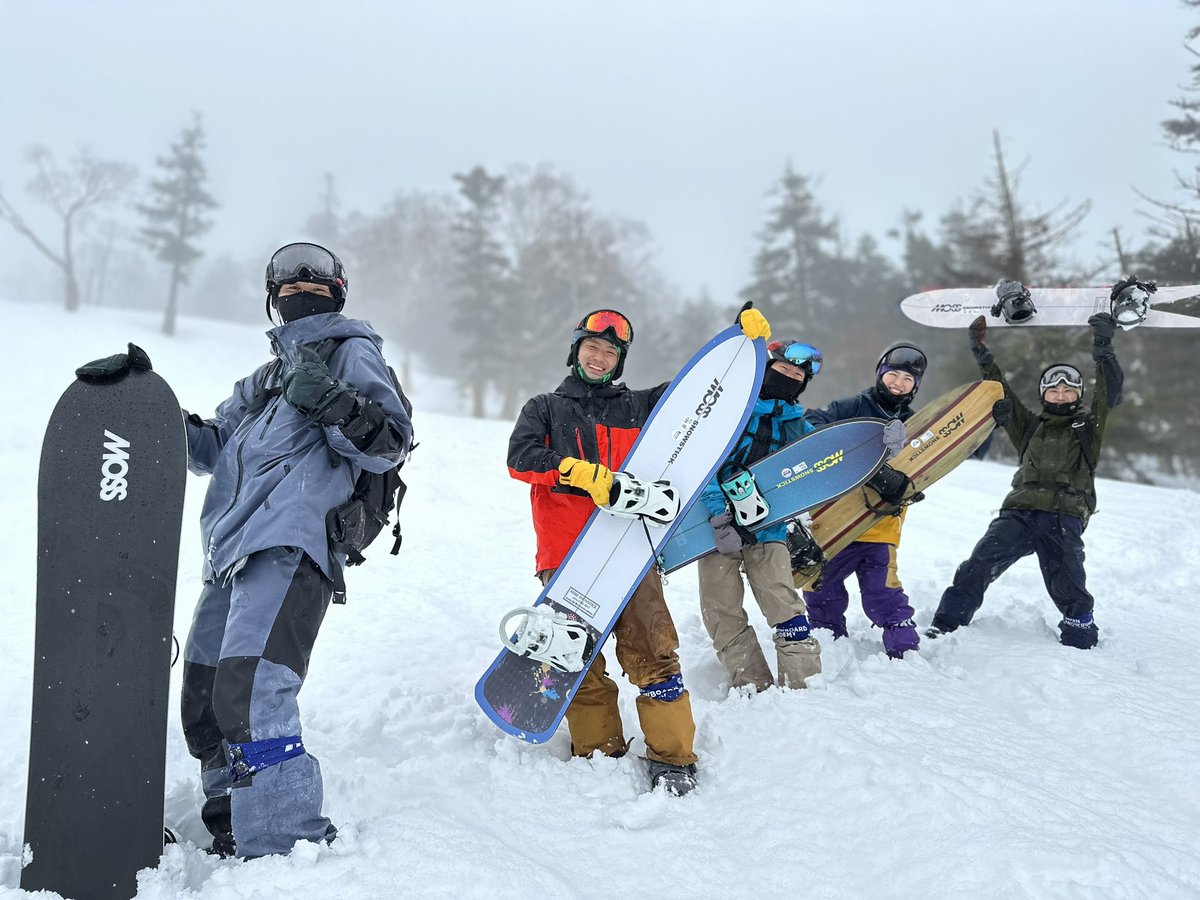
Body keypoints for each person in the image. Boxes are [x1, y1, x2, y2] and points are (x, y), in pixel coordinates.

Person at [178, 242, 413, 857]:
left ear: (338, 293)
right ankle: (233, 817)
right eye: (287, 284)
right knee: (206, 694)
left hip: (289, 541)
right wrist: (145, 409)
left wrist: (331, 399)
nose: (300, 290)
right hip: (230, 551)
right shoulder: (266, 377)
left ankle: (283, 839)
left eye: (314, 283)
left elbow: (390, 442)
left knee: (254, 687)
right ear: (272, 299)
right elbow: (212, 446)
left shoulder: (350, 352)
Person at [506, 306, 770, 796]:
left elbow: (707, 399)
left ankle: (673, 757)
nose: (600, 357)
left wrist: (741, 346)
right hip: (565, 558)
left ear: (620, 360)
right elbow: (520, 459)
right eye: (592, 347)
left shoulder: (641, 406)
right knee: (575, 660)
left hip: (632, 553)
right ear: (576, 350)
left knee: (654, 650)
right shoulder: (545, 408)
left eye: (610, 352)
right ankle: (597, 751)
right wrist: (577, 471)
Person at [927, 278, 1128, 649]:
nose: (1061, 394)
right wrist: (980, 352)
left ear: (1078, 394)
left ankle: (1080, 631)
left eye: (1069, 389)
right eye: (1054, 389)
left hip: (1064, 515)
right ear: (1044, 394)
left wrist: (1104, 346)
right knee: (978, 564)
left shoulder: (1088, 426)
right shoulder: (1030, 426)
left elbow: (1109, 391)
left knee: (1068, 577)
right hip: (1019, 513)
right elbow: (998, 388)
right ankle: (945, 625)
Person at [696, 340, 829, 691]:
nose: (787, 379)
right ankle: (752, 685)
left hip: (768, 527)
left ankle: (805, 686)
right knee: (721, 610)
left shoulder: (795, 424)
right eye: (782, 370)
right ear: (766, 370)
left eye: (796, 377)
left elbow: (827, 454)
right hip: (712, 529)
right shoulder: (732, 410)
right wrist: (719, 515)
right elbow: (703, 462)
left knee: (783, 604)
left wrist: (877, 444)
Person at [801, 344, 928, 658]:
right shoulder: (855, 406)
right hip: (835, 521)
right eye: (892, 375)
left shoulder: (915, 423)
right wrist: (866, 458)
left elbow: (933, 459)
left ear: (915, 386)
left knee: (883, 592)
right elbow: (811, 423)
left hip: (881, 524)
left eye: (908, 380)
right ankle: (829, 642)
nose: (898, 383)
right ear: (880, 374)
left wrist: (989, 421)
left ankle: (904, 649)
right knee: (821, 588)